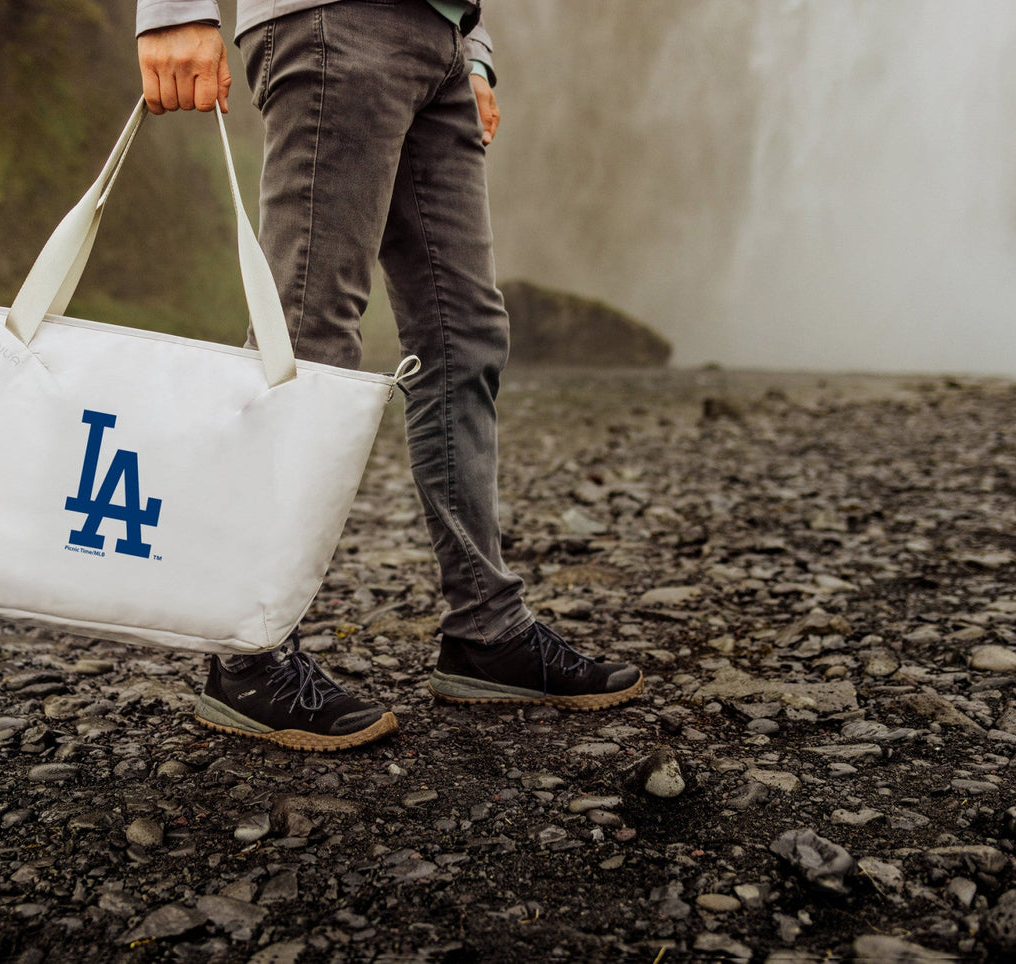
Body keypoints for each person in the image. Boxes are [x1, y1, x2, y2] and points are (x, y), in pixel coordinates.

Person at [135, 0, 643, 752]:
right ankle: (248, 652)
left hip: (441, 42)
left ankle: (486, 631)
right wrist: (173, 11)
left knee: (465, 333)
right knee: (307, 332)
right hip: (335, 22)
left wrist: (471, 47)